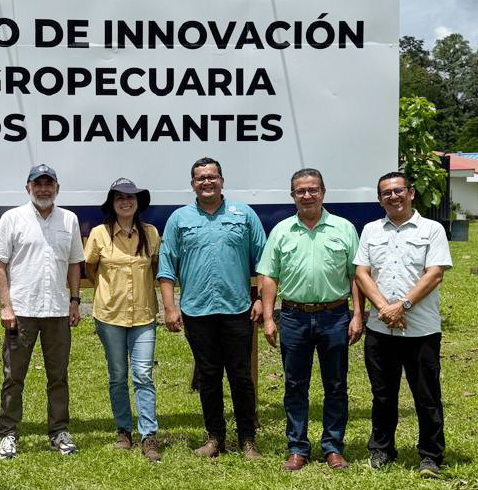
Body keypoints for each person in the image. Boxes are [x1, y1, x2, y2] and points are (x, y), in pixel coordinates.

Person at [157, 157, 267, 460]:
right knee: (208, 375)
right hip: (197, 310)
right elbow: (167, 267)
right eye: (201, 178)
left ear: (222, 181)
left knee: (241, 376)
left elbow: (264, 262)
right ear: (193, 184)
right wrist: (169, 308)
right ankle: (214, 437)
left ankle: (247, 439)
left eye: (213, 177)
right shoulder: (179, 219)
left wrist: (259, 298)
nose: (207, 182)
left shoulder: (243, 215)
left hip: (237, 309)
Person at [257, 168, 364, 471]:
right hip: (293, 317)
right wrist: (268, 317)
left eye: (312, 190)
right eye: (300, 191)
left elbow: (356, 276)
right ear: (292, 195)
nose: (307, 195)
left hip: (335, 316)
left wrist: (357, 315)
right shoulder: (281, 231)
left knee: (336, 384)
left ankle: (333, 447)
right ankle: (297, 448)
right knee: (294, 385)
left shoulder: (343, 229)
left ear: (323, 192)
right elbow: (268, 276)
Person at [353, 172, 453, 478]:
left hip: (420, 330)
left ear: (411, 193)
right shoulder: (371, 230)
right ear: (380, 199)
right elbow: (361, 272)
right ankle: (382, 448)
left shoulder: (431, 229)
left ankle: (430, 455)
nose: (393, 197)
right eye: (386, 193)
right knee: (383, 394)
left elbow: (434, 274)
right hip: (381, 329)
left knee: (426, 395)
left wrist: (402, 305)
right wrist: (384, 308)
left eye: (398, 191)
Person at [0, 164, 86, 459]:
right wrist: (5, 306)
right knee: (13, 376)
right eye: (38, 184)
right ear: (28, 187)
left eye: (49, 184)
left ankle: (58, 432)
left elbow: (74, 264)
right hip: (22, 310)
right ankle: (8, 434)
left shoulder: (68, 219)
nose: (43, 189)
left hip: (57, 309)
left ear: (57, 188)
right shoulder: (12, 218)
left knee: (58, 376)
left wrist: (74, 300)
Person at [84, 178, 162, 463]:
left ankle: (149, 435)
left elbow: (154, 269)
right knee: (117, 375)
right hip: (110, 315)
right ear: (112, 204)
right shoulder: (99, 234)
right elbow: (91, 269)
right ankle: (123, 430)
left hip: (143, 315)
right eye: (119, 198)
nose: (126, 202)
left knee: (143, 375)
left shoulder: (151, 234)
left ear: (138, 202)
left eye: (131, 197)